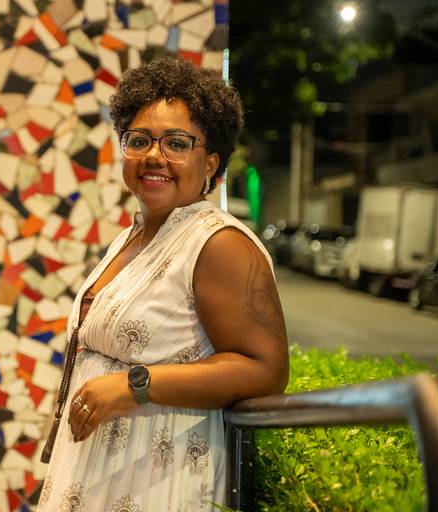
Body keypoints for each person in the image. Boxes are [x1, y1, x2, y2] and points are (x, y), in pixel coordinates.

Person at [37, 56, 289, 511]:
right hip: (97, 477)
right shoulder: (134, 236)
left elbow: (265, 370)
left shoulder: (217, 243)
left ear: (210, 162)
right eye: (139, 140)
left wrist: (136, 384)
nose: (154, 156)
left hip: (157, 482)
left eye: (176, 143)